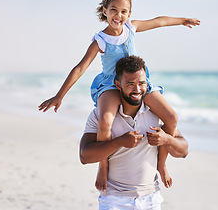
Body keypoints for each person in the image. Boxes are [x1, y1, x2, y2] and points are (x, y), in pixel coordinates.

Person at [38, 0, 199, 191]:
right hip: (110, 85)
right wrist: (59, 95)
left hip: (139, 83)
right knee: (106, 120)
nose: (118, 15)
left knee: (172, 116)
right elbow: (80, 68)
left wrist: (182, 20)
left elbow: (159, 21)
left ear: (129, 14)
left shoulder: (131, 28)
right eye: (113, 10)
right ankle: (103, 167)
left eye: (124, 11)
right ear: (104, 11)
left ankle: (161, 163)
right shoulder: (100, 40)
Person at [80, 56, 189, 210]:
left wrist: (167, 140)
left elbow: (184, 151)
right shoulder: (101, 115)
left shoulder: (157, 114)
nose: (137, 90)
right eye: (130, 84)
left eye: (142, 83)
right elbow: (84, 156)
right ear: (118, 84)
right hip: (114, 200)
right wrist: (119, 142)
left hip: (151, 199)